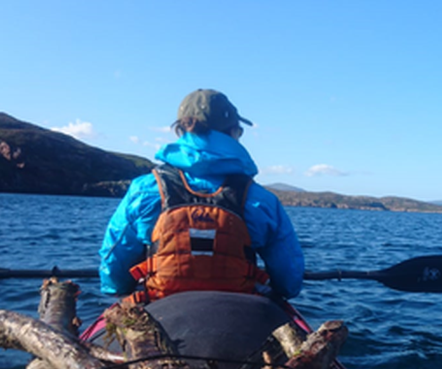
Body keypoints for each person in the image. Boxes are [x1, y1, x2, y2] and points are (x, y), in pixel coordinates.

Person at [99, 89, 304, 303]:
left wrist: (118, 288)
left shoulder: (144, 190)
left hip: (160, 309)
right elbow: (289, 281)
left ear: (182, 130)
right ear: (233, 132)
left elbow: (113, 267)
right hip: (240, 314)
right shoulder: (262, 200)